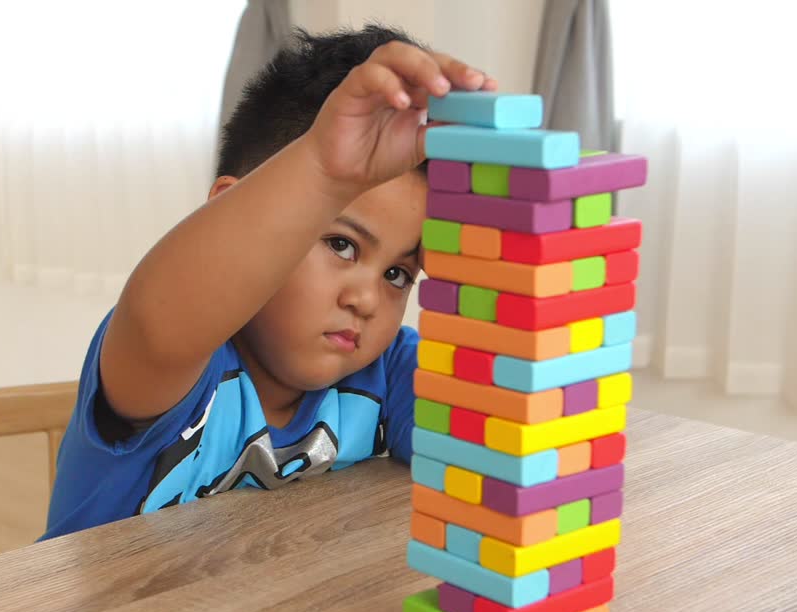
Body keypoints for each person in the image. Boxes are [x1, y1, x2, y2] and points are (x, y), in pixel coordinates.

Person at [41, 25, 496, 540]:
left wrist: (489, 271)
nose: (367, 299)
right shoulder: (175, 368)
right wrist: (322, 167)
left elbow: (492, 448)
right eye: (341, 245)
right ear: (227, 210)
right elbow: (157, 319)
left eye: (397, 274)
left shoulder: (387, 372)